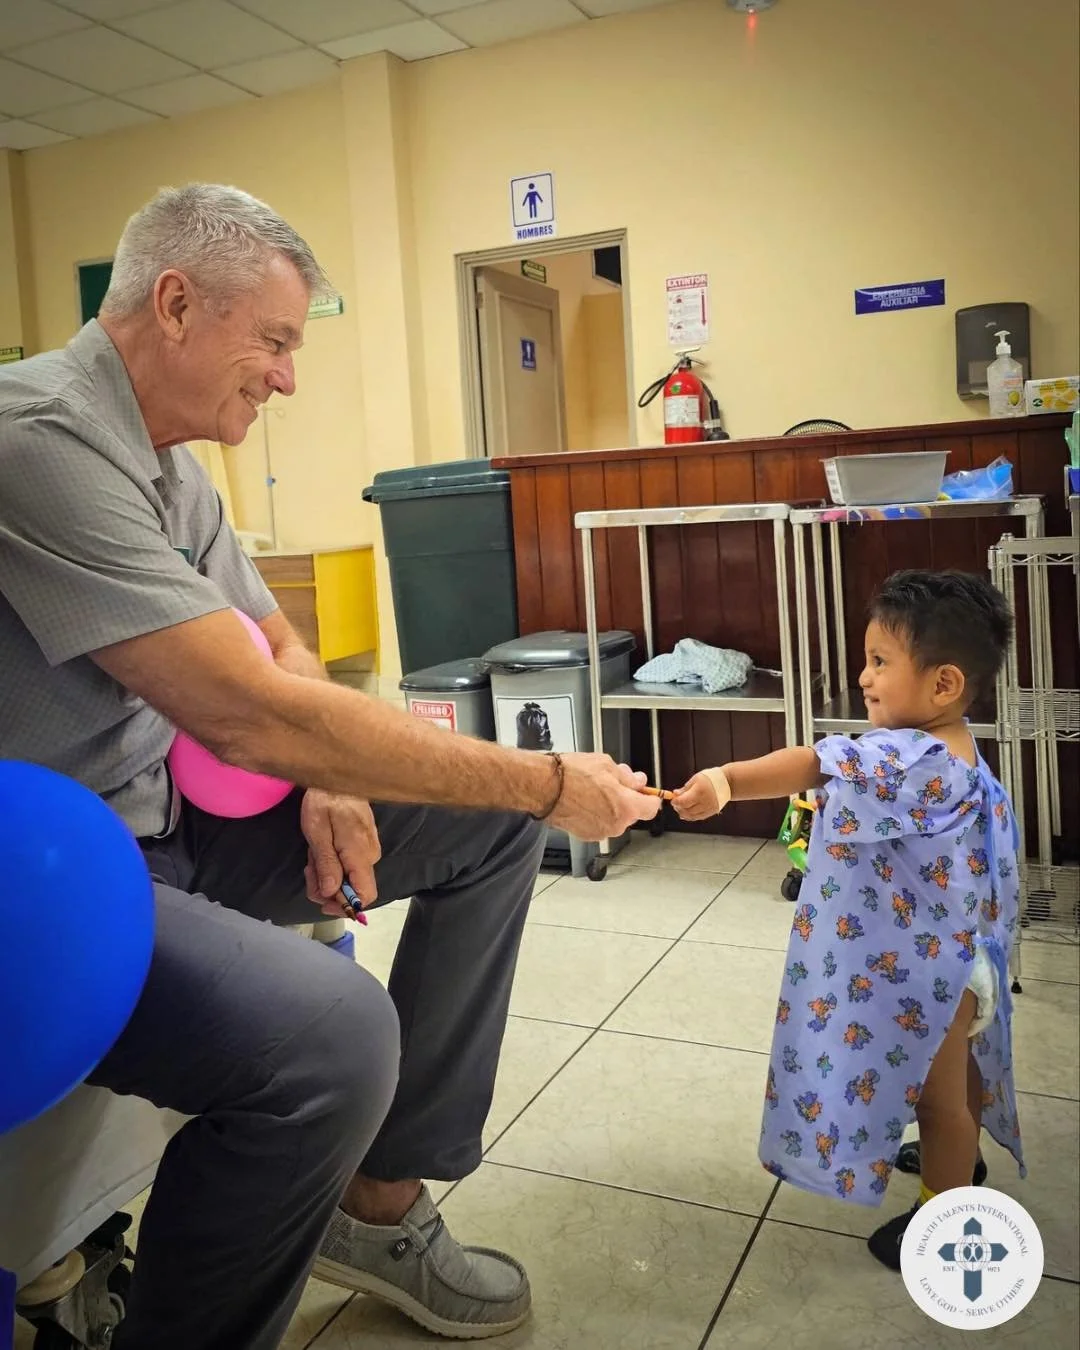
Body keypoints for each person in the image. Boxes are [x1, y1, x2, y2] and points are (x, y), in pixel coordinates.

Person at [0, 184, 660, 1350]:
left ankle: (381, 1201)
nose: (288, 377)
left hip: (164, 832)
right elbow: (248, 708)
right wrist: (549, 783)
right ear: (173, 303)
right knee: (335, 1035)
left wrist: (336, 778)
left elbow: (281, 648)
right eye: (275, 341)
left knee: (484, 829)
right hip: (54, 893)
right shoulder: (38, 441)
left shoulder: (173, 464)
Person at [672, 570, 1025, 1268]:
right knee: (959, 1083)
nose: (864, 678)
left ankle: (944, 1217)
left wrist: (727, 781)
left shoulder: (908, 755)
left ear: (944, 683)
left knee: (938, 1101)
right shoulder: (955, 746)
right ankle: (960, 1160)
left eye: (880, 662)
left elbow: (815, 762)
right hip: (964, 955)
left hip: (936, 973)